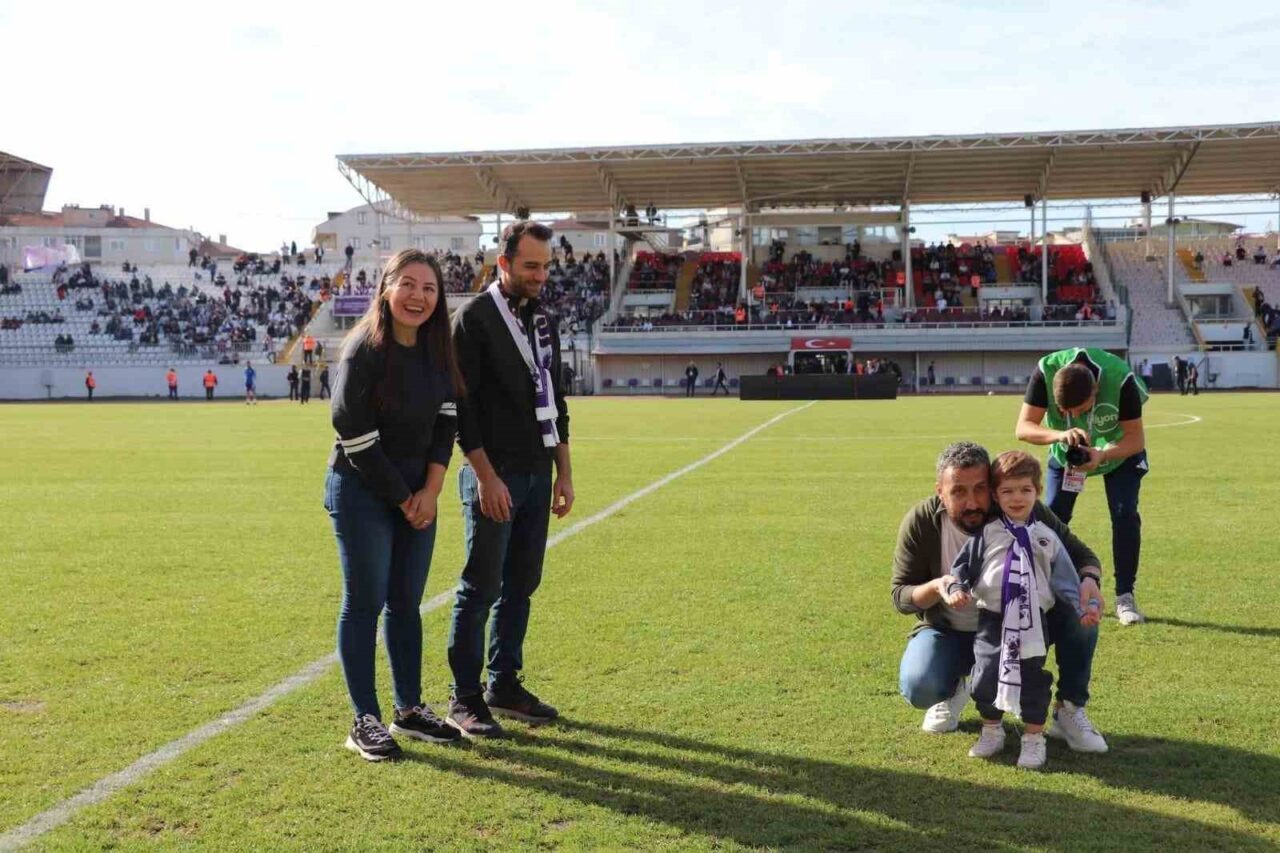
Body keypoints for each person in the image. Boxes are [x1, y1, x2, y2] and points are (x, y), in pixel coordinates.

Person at [325, 248, 464, 761]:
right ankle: (364, 719)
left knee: (406, 602)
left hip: (416, 495)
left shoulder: (437, 348)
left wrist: (430, 490)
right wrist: (406, 497)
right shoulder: (363, 349)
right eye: (408, 284)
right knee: (365, 601)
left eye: (429, 289)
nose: (419, 297)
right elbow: (353, 434)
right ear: (385, 288)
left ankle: (409, 711)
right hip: (362, 490)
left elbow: (447, 419)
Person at [892, 441, 1107, 753]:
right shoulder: (922, 522)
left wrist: (1089, 579)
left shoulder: (1017, 508)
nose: (972, 502)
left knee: (1081, 615)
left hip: (1020, 627)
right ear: (940, 490)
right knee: (920, 685)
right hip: (951, 630)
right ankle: (955, 687)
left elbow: (1079, 552)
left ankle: (1069, 708)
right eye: (958, 492)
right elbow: (901, 596)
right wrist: (938, 586)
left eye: (980, 489)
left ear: (992, 489)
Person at [446, 221, 573, 739]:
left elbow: (555, 398)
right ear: (504, 264)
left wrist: (564, 471)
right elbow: (461, 408)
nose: (541, 275)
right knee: (481, 587)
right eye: (531, 266)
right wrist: (485, 476)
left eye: (545, 266)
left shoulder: (543, 319)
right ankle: (465, 698)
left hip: (537, 472)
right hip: (491, 476)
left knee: (522, 584)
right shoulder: (473, 318)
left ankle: (504, 683)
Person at [944, 451, 1099, 770]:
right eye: (1007, 491)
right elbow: (961, 568)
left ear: (1037, 492)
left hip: (1033, 620)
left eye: (1025, 490)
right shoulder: (987, 534)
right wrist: (957, 588)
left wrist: (1085, 606)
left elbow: (1067, 578)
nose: (1017, 498)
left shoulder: (1047, 536)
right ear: (996, 496)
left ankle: (1033, 739)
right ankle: (991, 731)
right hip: (993, 619)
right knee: (985, 675)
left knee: (1032, 677)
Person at [1016, 347, 1150, 624]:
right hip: (1067, 454)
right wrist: (1060, 434)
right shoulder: (1045, 370)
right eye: (1066, 411)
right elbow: (1024, 428)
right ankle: (1043, 589)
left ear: (1097, 390)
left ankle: (1125, 596)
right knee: (1051, 517)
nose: (1074, 415)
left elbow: (1136, 440)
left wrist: (1102, 454)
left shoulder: (1120, 378)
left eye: (1082, 410)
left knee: (1124, 514)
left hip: (1117, 452)